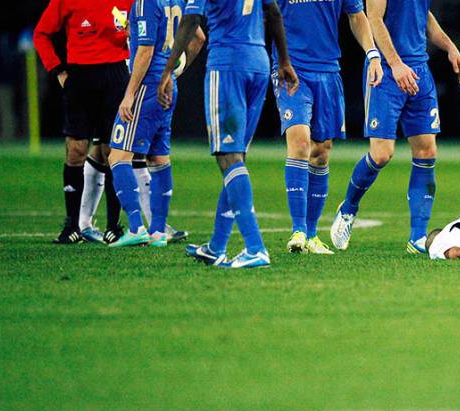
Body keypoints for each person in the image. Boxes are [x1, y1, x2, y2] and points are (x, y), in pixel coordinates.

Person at [160, 0, 299, 268]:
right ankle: (216, 247)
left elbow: (191, 21)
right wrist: (283, 60)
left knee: (229, 157)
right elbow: (273, 11)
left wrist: (167, 71)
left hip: (228, 63)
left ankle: (255, 247)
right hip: (258, 62)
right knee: (236, 158)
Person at [330, 0, 460, 255]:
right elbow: (374, 18)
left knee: (427, 151)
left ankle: (417, 237)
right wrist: (395, 64)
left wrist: (450, 47)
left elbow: (423, 15)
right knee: (382, 154)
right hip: (385, 72)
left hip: (418, 71)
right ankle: (348, 207)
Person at [275, 0, 382, 256]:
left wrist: (372, 53)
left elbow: (356, 16)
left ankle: (311, 235)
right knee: (300, 142)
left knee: (322, 151)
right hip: (292, 68)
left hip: (328, 70)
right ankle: (298, 231)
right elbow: (268, 16)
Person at [105, 0, 205, 247]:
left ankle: (137, 227)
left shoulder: (145, 2)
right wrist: (174, 72)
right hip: (168, 84)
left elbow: (145, 51)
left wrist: (129, 94)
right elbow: (199, 37)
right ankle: (158, 231)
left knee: (117, 156)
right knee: (158, 158)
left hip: (147, 86)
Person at [34, 0, 132, 244]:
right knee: (76, 150)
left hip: (115, 75)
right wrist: (57, 70)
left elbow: (145, 28)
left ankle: (113, 226)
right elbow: (41, 34)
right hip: (80, 77)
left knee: (114, 151)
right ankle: (72, 226)